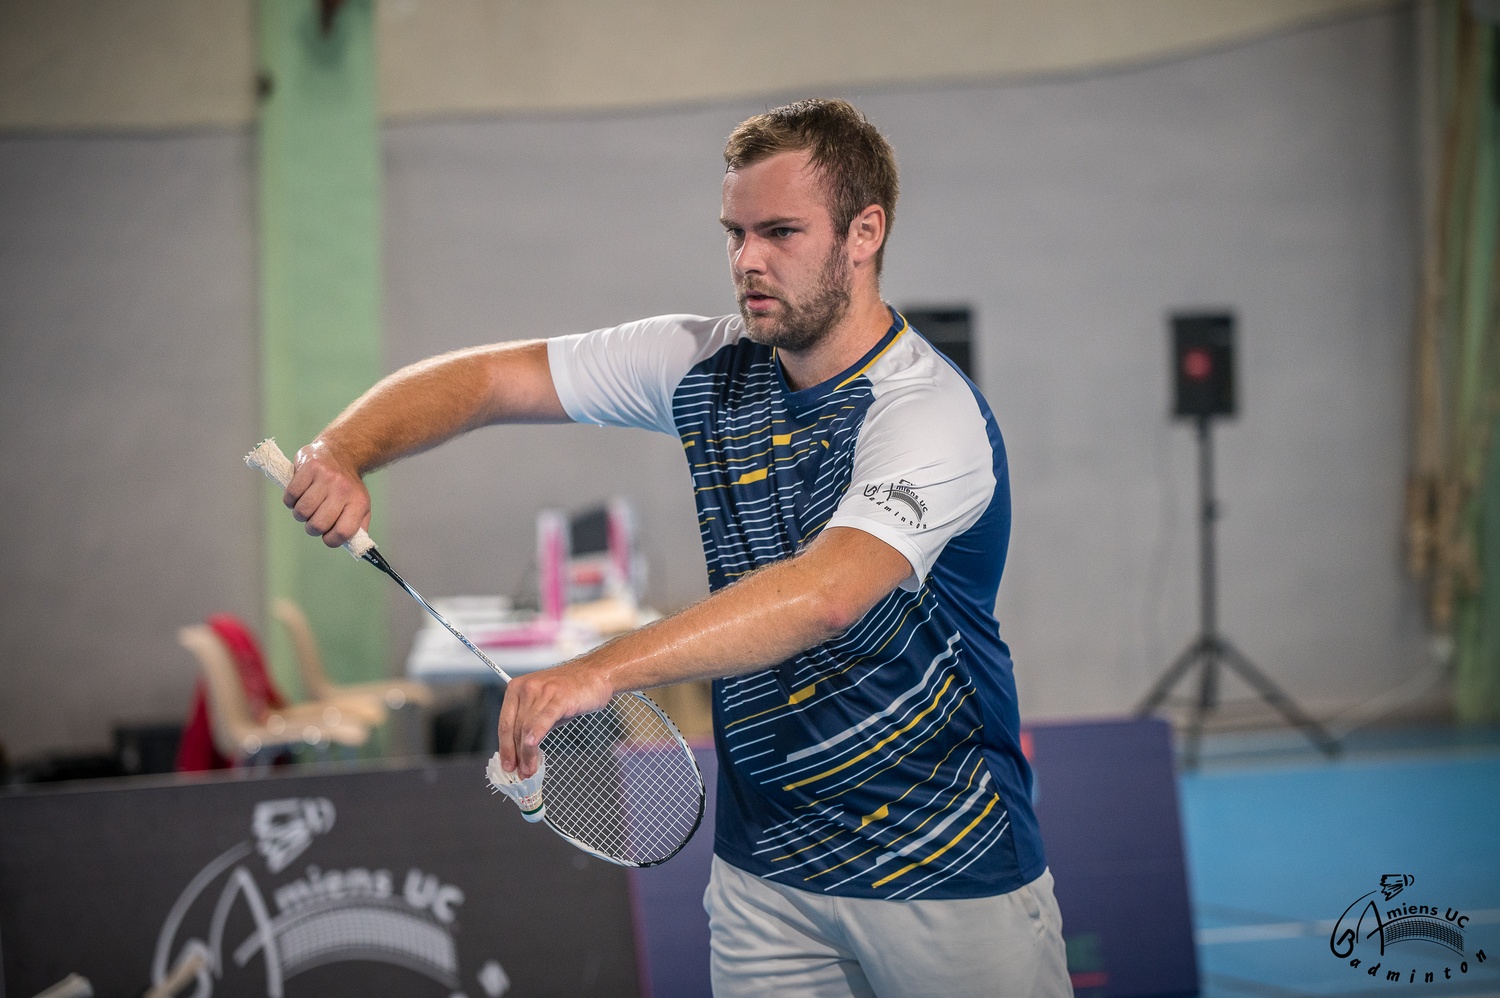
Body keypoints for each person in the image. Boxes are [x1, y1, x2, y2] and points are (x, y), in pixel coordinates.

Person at [283, 98, 1071, 997]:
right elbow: (490, 377)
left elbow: (826, 595)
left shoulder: (926, 412)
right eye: (734, 232)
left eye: (779, 231)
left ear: (865, 232)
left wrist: (600, 670)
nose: (747, 260)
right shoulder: (704, 367)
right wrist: (344, 449)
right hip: (764, 877)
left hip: (944, 868)